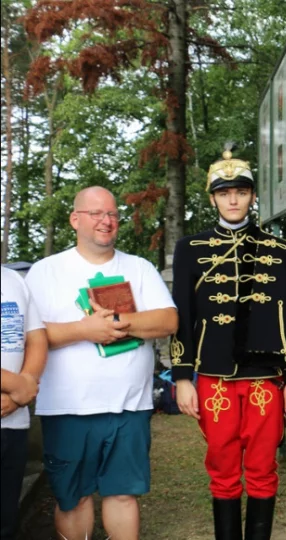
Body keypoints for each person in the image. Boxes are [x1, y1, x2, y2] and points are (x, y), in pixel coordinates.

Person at [171, 148, 286, 540]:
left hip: (267, 377)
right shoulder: (189, 250)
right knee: (222, 469)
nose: (234, 199)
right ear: (213, 199)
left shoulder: (284, 254)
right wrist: (182, 376)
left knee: (262, 468)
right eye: (225, 193)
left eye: (241, 191)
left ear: (253, 196)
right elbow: (183, 315)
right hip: (212, 375)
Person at [25, 186, 178, 540]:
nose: (106, 221)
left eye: (112, 214)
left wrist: (121, 324)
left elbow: (168, 321)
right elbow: (32, 335)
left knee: (123, 494)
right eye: (96, 213)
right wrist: (85, 330)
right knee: (73, 498)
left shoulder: (138, 267)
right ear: (75, 219)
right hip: (67, 408)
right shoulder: (46, 271)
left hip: (129, 406)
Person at [1, 265, 48, 539]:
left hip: (13, 425)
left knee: (6, 521)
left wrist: (25, 384)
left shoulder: (13, 279)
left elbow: (36, 339)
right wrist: (18, 387)